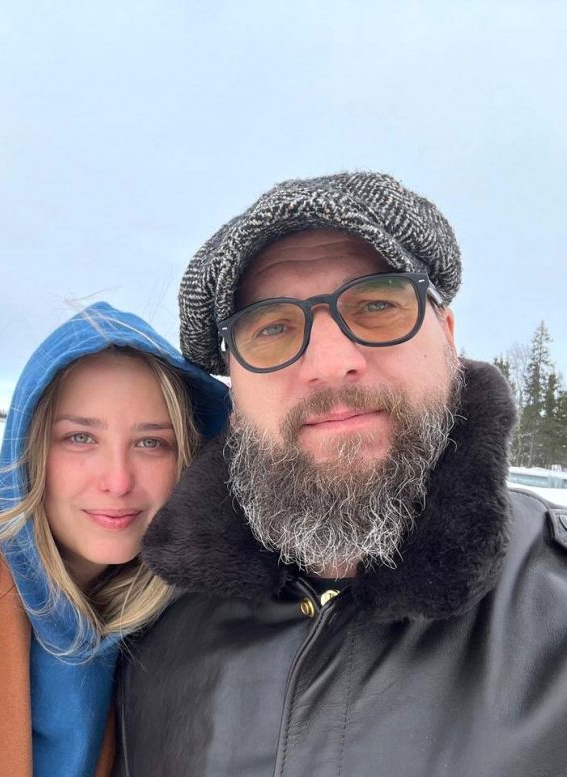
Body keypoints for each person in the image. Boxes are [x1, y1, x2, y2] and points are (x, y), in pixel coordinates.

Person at [113, 172, 567, 776]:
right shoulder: (141, 617)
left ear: (448, 338)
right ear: (235, 387)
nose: (329, 364)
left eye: (377, 305)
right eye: (272, 328)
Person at [0, 302, 228, 777]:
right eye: (80, 438)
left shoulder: (184, 619)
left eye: (151, 443)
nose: (118, 481)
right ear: (30, 446)